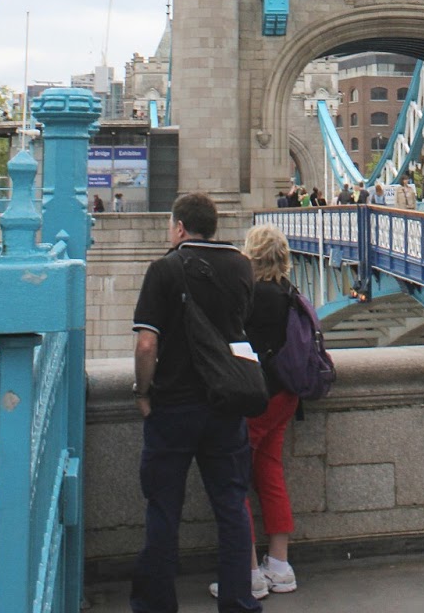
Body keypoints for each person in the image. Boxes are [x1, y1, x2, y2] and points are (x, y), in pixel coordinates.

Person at [131, 192, 260, 613]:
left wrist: (143, 392)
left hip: (173, 407)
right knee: (231, 507)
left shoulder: (164, 269)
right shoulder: (243, 266)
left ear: (180, 227)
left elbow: (147, 343)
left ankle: (156, 606)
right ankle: (239, 601)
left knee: (164, 510)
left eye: (172, 226)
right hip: (226, 404)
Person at [208, 223, 300, 603]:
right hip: (287, 395)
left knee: (234, 477)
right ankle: (280, 565)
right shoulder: (290, 293)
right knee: (270, 472)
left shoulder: (250, 297)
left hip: (256, 397)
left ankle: (246, 574)